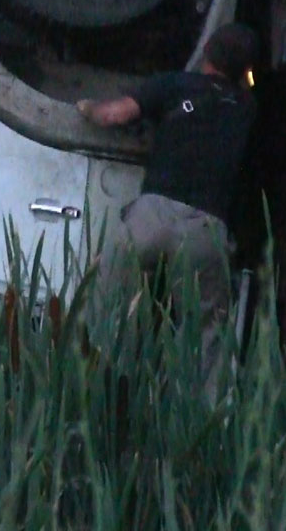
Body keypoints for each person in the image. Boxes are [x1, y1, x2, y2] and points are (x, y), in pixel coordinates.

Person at [75, 22, 258, 339]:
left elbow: (113, 115)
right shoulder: (246, 108)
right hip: (206, 229)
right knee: (207, 333)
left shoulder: (175, 84)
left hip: (151, 216)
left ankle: (98, 363)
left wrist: (87, 107)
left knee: (104, 308)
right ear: (245, 71)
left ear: (206, 51)